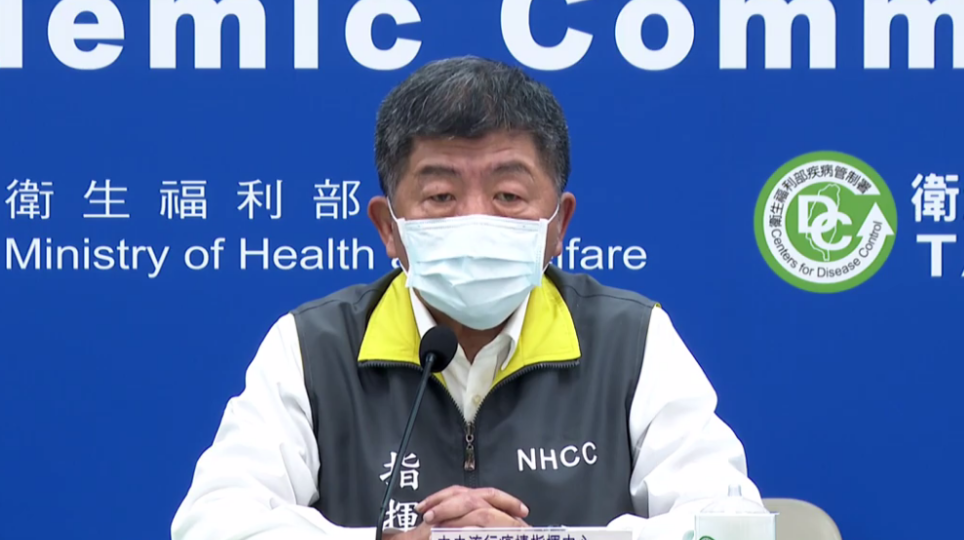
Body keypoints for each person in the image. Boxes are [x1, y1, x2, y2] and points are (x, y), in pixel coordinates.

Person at [171, 56, 761, 540]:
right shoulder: (313, 347)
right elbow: (213, 524)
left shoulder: (630, 341)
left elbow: (731, 526)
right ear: (389, 228)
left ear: (558, 225)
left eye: (508, 195)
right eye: (441, 196)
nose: (476, 218)